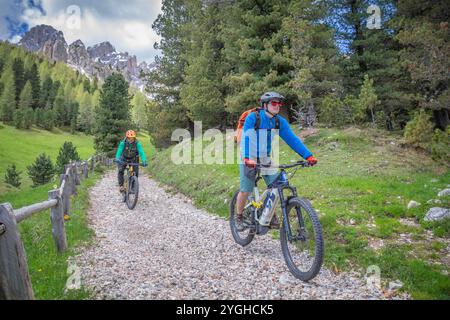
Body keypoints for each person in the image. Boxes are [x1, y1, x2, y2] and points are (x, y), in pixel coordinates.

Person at [236, 92, 318, 230]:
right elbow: (246, 138)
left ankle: (269, 214)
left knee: (276, 184)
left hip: (264, 157)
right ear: (265, 104)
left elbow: (292, 139)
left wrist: (308, 156)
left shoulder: (279, 121)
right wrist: (247, 158)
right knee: (246, 189)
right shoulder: (253, 118)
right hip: (248, 155)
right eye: (274, 103)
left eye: (279, 103)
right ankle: (238, 217)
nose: (277, 106)